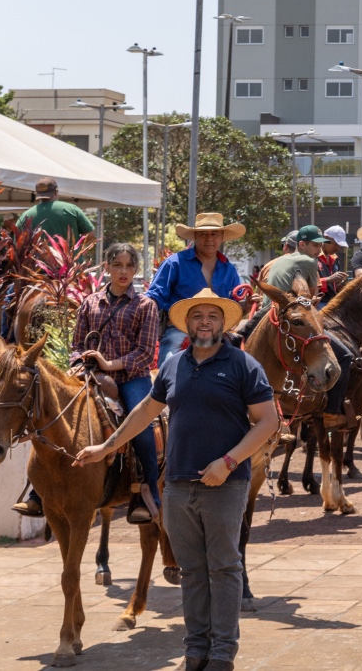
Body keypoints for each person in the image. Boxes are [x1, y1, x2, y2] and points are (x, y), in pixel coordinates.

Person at [75, 288, 278, 671]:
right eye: (197, 315)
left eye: (213, 316)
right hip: (179, 484)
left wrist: (230, 462)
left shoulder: (243, 365)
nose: (205, 321)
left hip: (225, 483)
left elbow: (269, 422)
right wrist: (107, 446)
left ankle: (222, 652)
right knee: (192, 571)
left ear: (224, 323)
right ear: (187, 322)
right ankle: (196, 648)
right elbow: (144, 411)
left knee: (224, 567)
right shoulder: (173, 365)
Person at [35, 243, 162, 524]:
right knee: (51, 415)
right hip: (91, 374)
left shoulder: (146, 305)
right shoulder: (90, 302)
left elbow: (144, 353)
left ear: (136, 270)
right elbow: (76, 344)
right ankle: (36, 489)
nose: (124, 271)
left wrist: (109, 364)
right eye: (118, 265)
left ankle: (148, 492)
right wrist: (81, 361)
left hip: (131, 378)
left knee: (141, 429)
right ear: (107, 267)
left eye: (130, 266)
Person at [148, 212, 245, 362]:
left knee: (239, 363)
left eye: (214, 234)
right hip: (179, 328)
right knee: (169, 364)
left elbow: (234, 304)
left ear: (221, 237)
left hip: (216, 331)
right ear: (195, 237)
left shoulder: (229, 269)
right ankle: (166, 381)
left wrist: (248, 303)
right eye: (203, 234)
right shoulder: (175, 263)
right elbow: (155, 296)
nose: (209, 238)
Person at [16, 176, 95, 244]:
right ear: (56, 192)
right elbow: (90, 235)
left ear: (37, 194)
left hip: (38, 261)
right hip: (69, 261)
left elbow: (17, 242)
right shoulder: (72, 209)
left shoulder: (25, 216)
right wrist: (74, 248)